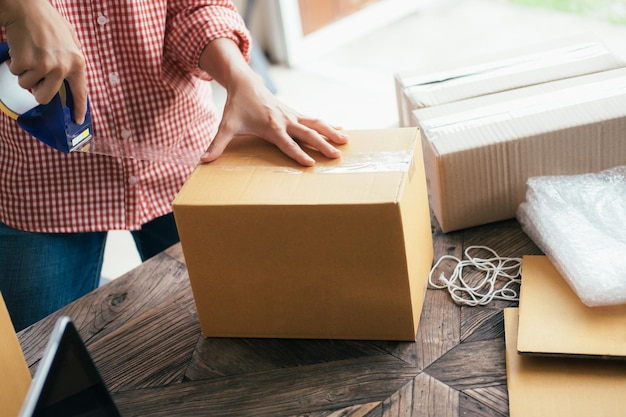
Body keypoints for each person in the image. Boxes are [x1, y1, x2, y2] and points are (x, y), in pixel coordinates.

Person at [0, 0, 349, 332]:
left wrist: (242, 78)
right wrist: (19, 9)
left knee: (254, 326)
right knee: (34, 367)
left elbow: (192, 6)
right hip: (39, 177)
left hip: (180, 150)